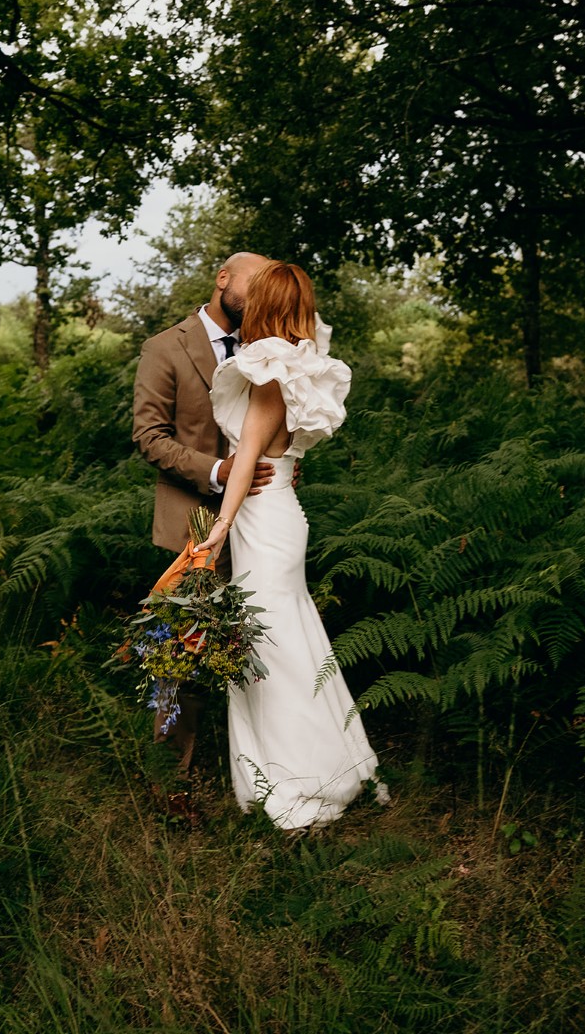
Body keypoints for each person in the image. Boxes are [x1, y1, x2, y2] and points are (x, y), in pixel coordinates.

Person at [194, 261, 385, 830]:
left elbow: (249, 456)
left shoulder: (270, 372)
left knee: (273, 653)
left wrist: (218, 529)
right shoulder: (294, 367)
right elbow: (280, 454)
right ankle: (318, 767)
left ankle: (301, 782)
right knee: (291, 643)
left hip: (262, 519)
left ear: (264, 306)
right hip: (279, 514)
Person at [132, 251, 272, 790]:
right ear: (222, 280)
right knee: (181, 657)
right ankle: (172, 781)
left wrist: (278, 466)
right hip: (189, 524)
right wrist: (219, 471)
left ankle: (259, 773)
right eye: (254, 286)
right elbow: (149, 437)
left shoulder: (268, 352)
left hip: (259, 525)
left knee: (259, 642)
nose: (260, 299)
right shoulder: (165, 347)